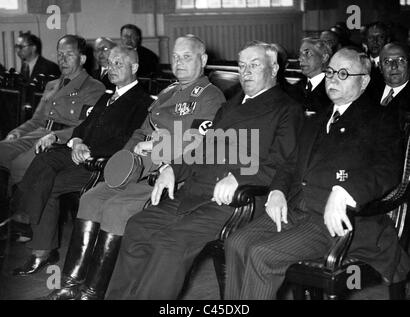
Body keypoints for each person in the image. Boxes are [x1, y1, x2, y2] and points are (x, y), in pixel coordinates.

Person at [105, 40, 303, 300]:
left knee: (169, 243)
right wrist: (174, 169)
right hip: (199, 191)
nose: (246, 72)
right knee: (138, 226)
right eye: (242, 66)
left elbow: (284, 163)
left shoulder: (287, 110)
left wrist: (240, 177)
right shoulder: (230, 105)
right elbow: (201, 148)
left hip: (239, 200)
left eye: (255, 65)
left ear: (274, 68)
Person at [42, 34, 225, 300]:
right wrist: (124, 165)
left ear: (203, 60)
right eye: (175, 57)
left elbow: (197, 144)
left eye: (187, 57)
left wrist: (155, 148)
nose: (179, 62)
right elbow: (140, 132)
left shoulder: (210, 97)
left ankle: (93, 292)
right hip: (138, 167)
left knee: (116, 208)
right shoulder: (167, 92)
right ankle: (71, 284)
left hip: (170, 174)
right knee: (91, 198)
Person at [224, 47, 410, 299]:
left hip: (339, 221)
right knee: (236, 243)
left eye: (344, 74)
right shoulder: (316, 119)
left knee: (261, 254)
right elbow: (290, 163)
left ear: (364, 81)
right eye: (331, 71)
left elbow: (387, 171)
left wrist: (345, 191)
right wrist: (277, 191)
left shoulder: (380, 120)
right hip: (296, 208)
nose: (333, 79)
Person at [10, 45, 154, 277]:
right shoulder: (107, 96)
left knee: (48, 185)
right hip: (79, 152)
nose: (111, 68)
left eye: (119, 63)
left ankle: (36, 243)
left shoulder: (142, 102)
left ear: (134, 67)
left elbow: (126, 142)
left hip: (100, 163)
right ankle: (27, 223)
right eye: (109, 63)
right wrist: (76, 141)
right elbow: (83, 127)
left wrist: (88, 151)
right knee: (45, 159)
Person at [0, 35, 105, 212]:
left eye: (69, 55)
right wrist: (18, 132)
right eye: (59, 54)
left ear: (83, 59)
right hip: (38, 134)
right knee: (2, 149)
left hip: (62, 141)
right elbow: (38, 119)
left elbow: (84, 127)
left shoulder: (94, 87)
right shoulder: (52, 85)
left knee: (20, 164)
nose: (62, 60)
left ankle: (19, 218)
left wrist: (56, 136)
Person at [287, 38, 332, 115]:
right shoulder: (294, 88)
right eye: (300, 54)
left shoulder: (331, 89)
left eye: (307, 53)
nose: (300, 58)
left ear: (324, 58)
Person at [377, 42, 410, 131]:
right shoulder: (368, 92)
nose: (394, 66)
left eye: (400, 60)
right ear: (380, 67)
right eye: (387, 61)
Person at [365, 22, 390, 95]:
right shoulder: (359, 61)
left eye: (380, 37)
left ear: (387, 40)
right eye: (370, 38)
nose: (375, 41)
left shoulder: (394, 64)